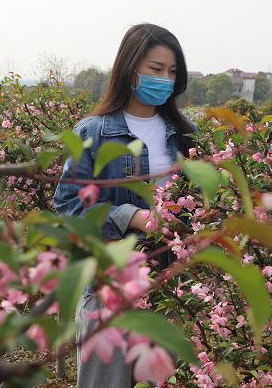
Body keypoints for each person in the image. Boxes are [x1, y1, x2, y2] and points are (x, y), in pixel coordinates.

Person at [53, 23, 197, 388]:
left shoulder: (185, 134)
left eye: (172, 72)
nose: (165, 79)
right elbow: (68, 203)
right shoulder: (93, 132)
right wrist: (132, 217)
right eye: (156, 69)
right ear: (130, 68)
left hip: (169, 284)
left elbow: (203, 201)